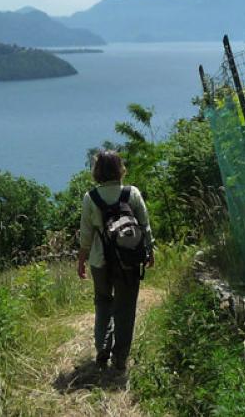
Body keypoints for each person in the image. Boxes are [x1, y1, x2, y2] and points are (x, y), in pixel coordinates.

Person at [76, 150, 154, 372]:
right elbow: (145, 225)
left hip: (100, 260)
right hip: (128, 259)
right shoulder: (132, 193)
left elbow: (86, 234)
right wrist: (150, 251)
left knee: (103, 302)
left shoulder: (90, 198)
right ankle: (120, 359)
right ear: (120, 168)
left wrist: (82, 260)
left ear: (97, 171)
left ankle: (102, 347)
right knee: (125, 307)